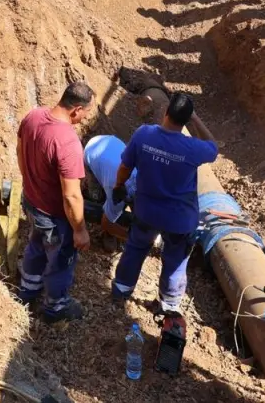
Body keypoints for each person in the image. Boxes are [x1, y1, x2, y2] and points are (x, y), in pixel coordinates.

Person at [111, 92, 218, 316]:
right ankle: (169, 304)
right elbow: (213, 146)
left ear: (166, 111)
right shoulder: (193, 148)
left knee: (135, 248)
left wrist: (118, 186)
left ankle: (121, 289)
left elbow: (124, 168)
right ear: (187, 120)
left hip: (146, 212)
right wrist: (196, 119)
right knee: (176, 260)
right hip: (180, 220)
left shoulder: (143, 134)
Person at [16, 81, 96, 323]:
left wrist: (30, 183)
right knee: (61, 261)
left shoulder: (33, 116)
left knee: (36, 245)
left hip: (31, 201)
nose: (85, 118)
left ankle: (27, 291)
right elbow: (71, 195)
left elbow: (20, 152)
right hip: (54, 216)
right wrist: (80, 230)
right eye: (86, 113)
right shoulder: (68, 143)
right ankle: (55, 307)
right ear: (76, 110)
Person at [83, 134, 137, 239]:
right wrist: (131, 238)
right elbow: (106, 223)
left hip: (111, 144)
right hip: (91, 151)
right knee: (97, 198)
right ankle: (87, 187)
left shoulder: (145, 179)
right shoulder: (118, 195)